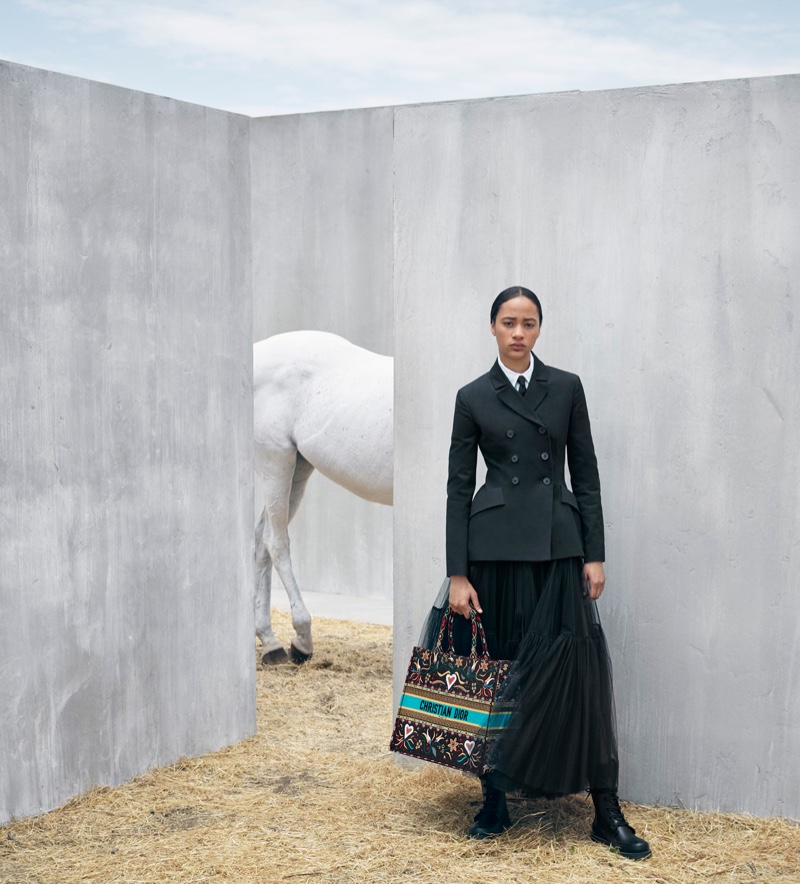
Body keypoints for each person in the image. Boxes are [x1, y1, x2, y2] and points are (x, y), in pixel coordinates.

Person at [442, 285, 650, 860]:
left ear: (539, 330)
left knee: (580, 673)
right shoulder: (471, 396)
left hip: (560, 545)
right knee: (499, 670)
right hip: (496, 550)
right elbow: (459, 487)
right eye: (508, 322)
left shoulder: (566, 387)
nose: (518, 332)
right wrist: (457, 573)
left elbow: (586, 471)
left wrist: (595, 552)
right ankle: (494, 800)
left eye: (528, 323)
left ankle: (605, 812)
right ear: (492, 328)